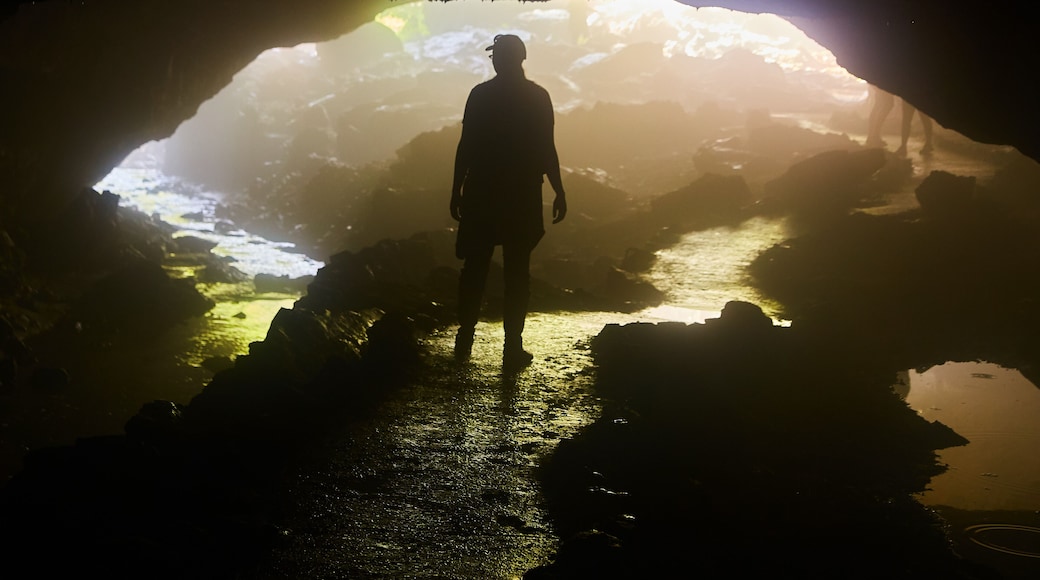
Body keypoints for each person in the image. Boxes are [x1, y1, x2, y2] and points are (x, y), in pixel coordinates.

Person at [449, 34, 567, 369]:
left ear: (502, 59)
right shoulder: (538, 97)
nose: (495, 61)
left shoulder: (481, 95)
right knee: (518, 272)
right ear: (522, 58)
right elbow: (547, 147)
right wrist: (558, 189)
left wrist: (456, 188)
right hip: (522, 193)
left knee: (475, 267)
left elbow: (466, 145)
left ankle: (466, 336)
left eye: (497, 55)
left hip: (483, 191)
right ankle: (512, 347)